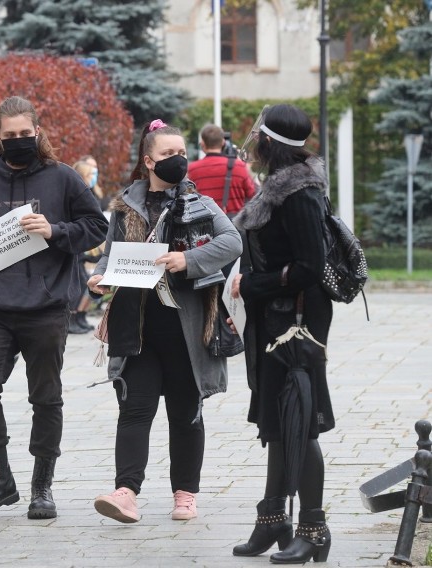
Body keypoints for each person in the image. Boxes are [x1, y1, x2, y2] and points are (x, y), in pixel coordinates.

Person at [0, 96, 108, 520]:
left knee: (46, 397)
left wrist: (55, 230)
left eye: (25, 134)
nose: (18, 141)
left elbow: (97, 226)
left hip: (45, 305)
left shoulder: (63, 179)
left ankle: (43, 486)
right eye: (10, 136)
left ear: (37, 133)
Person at [87, 119, 242, 524]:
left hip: (187, 329)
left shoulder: (201, 205)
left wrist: (186, 260)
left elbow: (233, 241)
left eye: (182, 153)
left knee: (185, 412)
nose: (178, 161)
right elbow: (108, 259)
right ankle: (126, 492)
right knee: (134, 409)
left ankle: (185, 495)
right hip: (137, 327)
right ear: (149, 161)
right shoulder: (124, 207)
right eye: (168, 155)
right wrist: (99, 278)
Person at [229, 104, 334, 564]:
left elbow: (311, 266)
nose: (253, 142)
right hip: (272, 321)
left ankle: (313, 527)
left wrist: (254, 283)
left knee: (301, 422)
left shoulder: (300, 194)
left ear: (270, 141)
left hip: (297, 323)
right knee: (276, 421)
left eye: (258, 135)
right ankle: (273, 521)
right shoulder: (276, 189)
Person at [67, 159, 105, 334]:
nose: (93, 177)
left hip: (84, 246)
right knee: (81, 283)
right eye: (90, 174)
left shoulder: (91, 193)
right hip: (77, 245)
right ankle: (74, 317)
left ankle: (79, 316)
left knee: (84, 283)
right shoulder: (76, 194)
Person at [187, 124, 256, 217]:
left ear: (202, 144)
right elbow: (252, 195)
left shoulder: (192, 169)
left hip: (205, 224)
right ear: (223, 142)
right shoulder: (239, 166)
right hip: (234, 226)